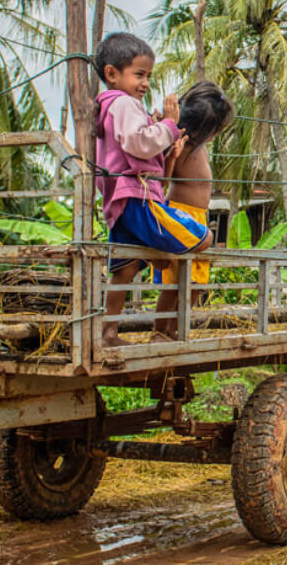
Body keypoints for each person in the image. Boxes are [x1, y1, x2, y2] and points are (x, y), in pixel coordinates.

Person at [90, 32, 212, 347]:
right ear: (112, 74)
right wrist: (169, 125)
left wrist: (165, 144)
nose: (145, 83)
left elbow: (142, 151)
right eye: (139, 74)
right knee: (203, 238)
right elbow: (139, 143)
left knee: (125, 270)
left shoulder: (111, 107)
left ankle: (108, 333)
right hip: (137, 199)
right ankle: (167, 327)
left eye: (148, 76)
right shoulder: (125, 104)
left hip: (122, 201)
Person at [151, 81, 235, 341]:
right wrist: (172, 154)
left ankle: (176, 329)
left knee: (196, 284)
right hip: (178, 215)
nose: (214, 136)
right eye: (214, 130)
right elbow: (162, 181)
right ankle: (159, 331)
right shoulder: (178, 142)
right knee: (173, 283)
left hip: (198, 219)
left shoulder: (201, 146)